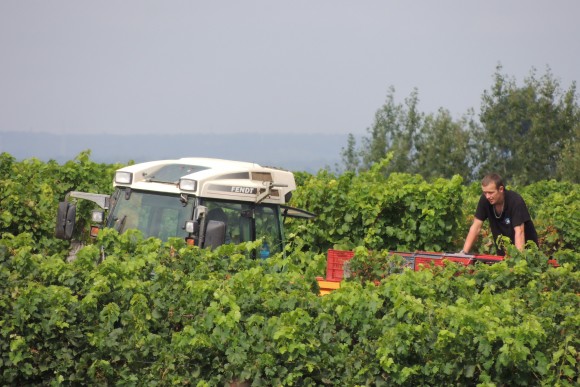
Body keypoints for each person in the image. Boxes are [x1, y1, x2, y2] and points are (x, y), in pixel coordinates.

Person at [460, 173, 538, 256]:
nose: (487, 196)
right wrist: (464, 253)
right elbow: (476, 227)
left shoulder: (515, 201)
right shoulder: (485, 200)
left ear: (501, 189)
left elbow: (519, 231)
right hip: (503, 254)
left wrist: (519, 261)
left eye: (490, 193)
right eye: (485, 193)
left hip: (527, 253)